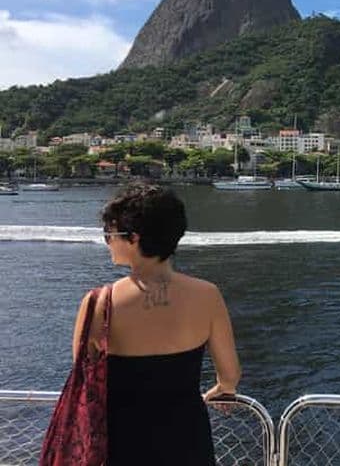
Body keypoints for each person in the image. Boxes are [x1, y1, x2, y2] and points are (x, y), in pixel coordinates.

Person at [74, 182, 241, 465]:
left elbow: (84, 381)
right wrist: (221, 389)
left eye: (110, 233)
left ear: (134, 238)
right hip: (188, 442)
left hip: (122, 444)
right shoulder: (207, 295)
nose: (107, 241)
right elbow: (230, 375)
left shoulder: (100, 303)